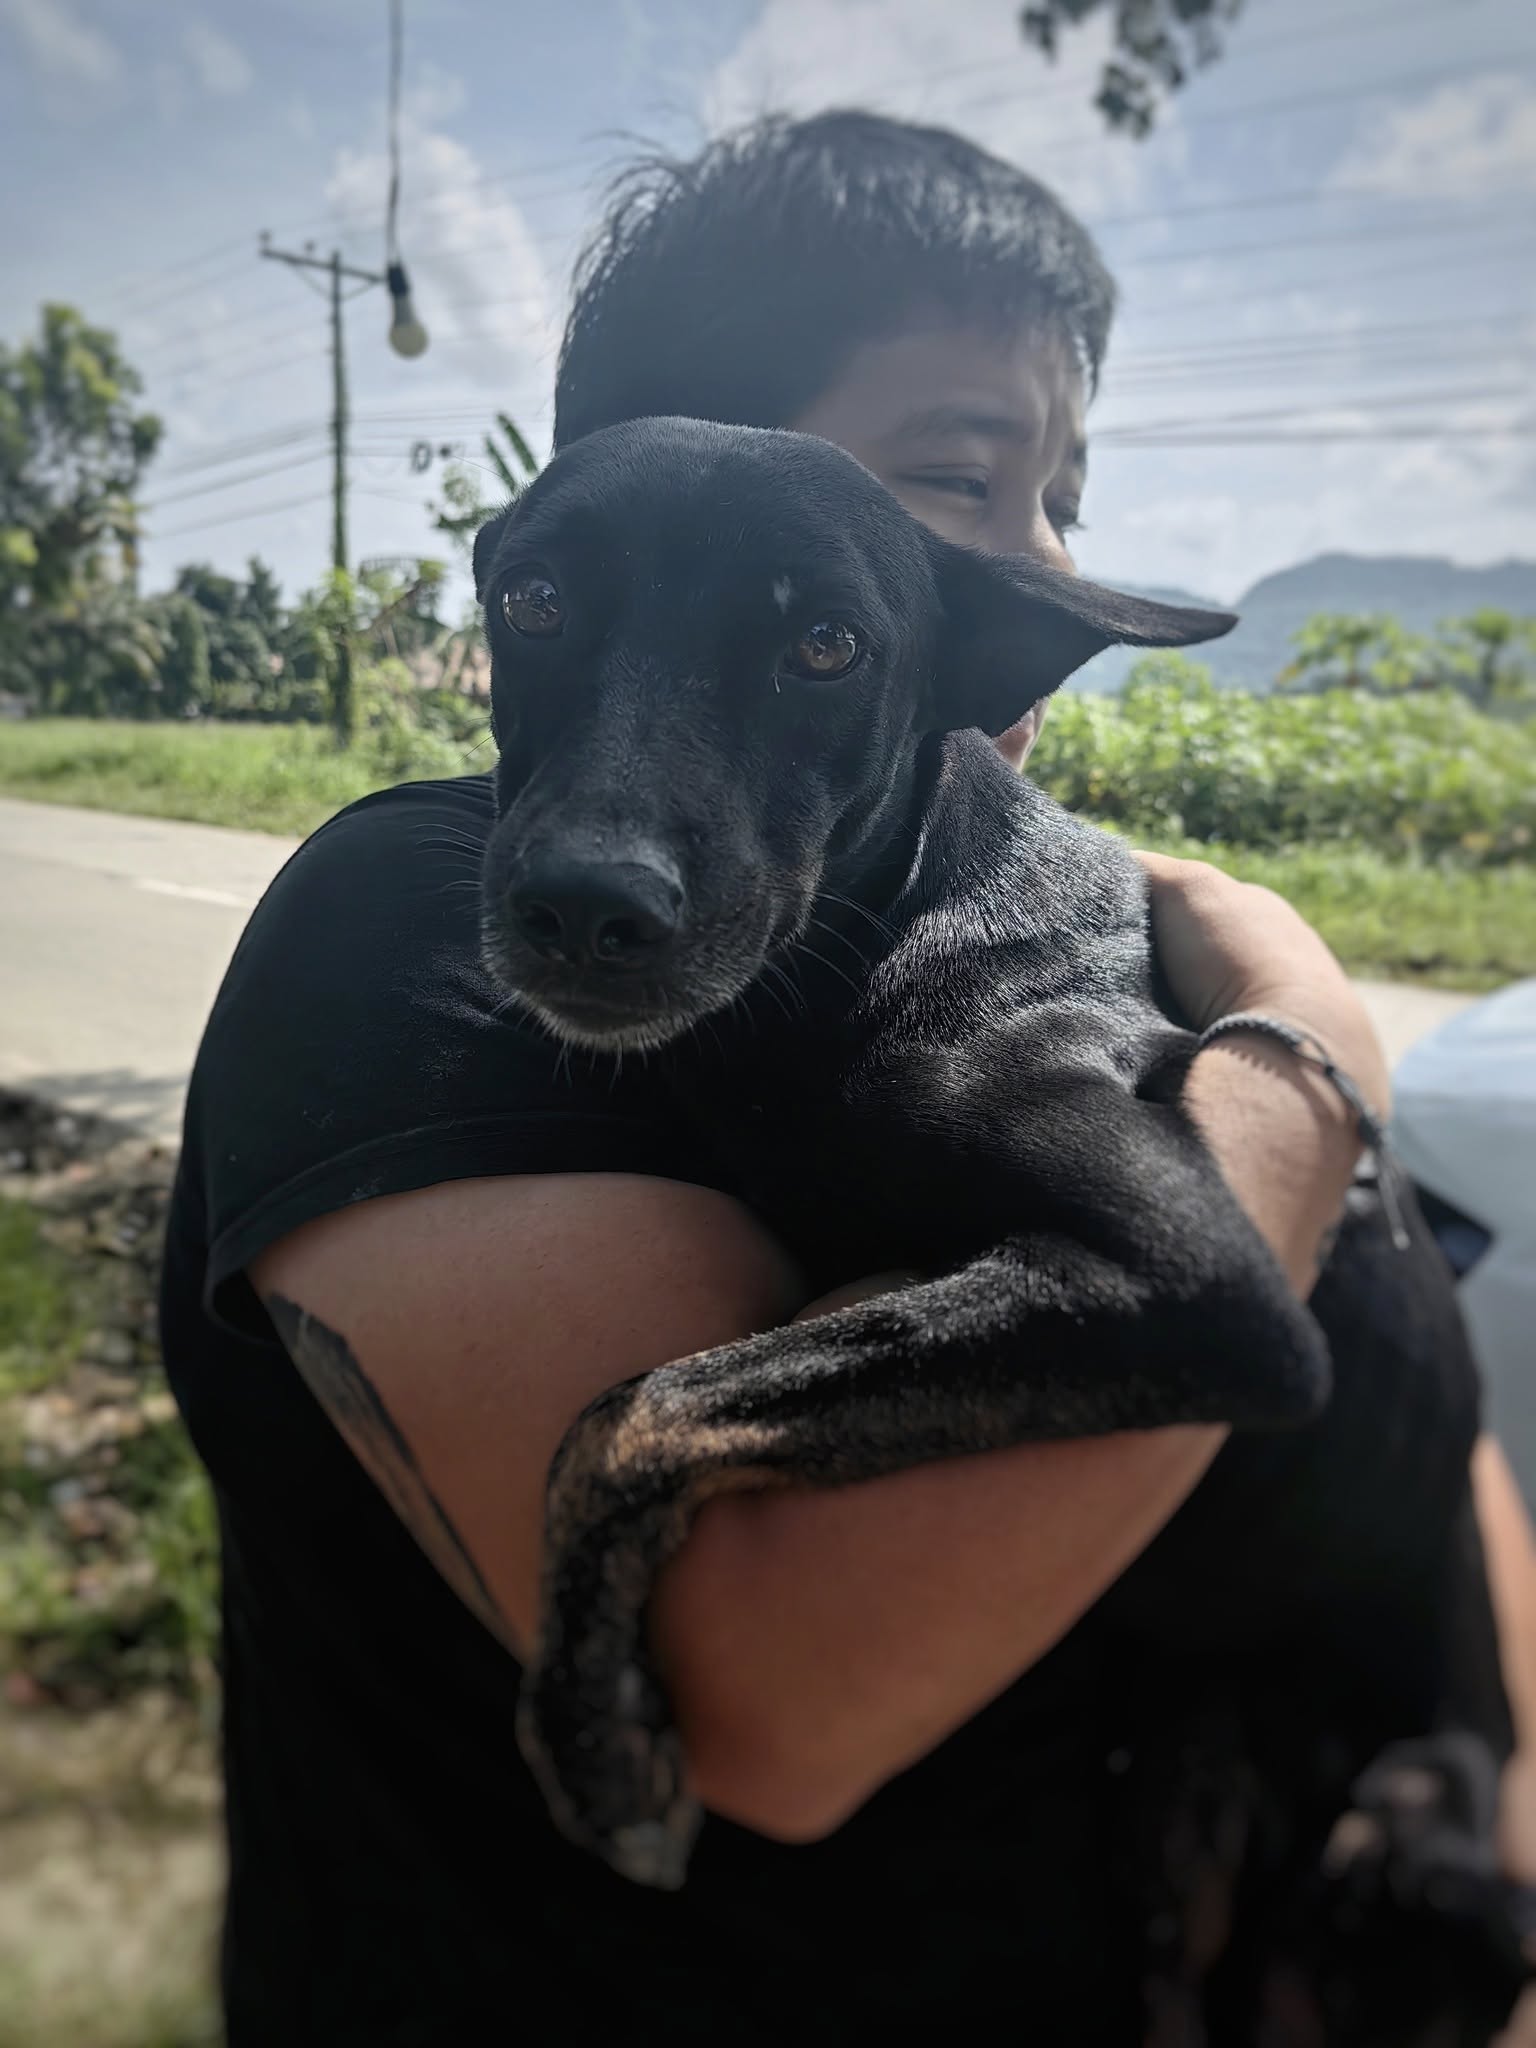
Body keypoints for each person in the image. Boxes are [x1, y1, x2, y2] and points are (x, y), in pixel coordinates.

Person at [160, 111, 1536, 2044]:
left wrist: (1513, 1802)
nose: (1032, 568)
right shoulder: (404, 918)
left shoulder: (1001, 919)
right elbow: (778, 1713)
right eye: (960, 480)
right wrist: (1309, 1054)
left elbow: (1422, 1413)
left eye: (1061, 498)